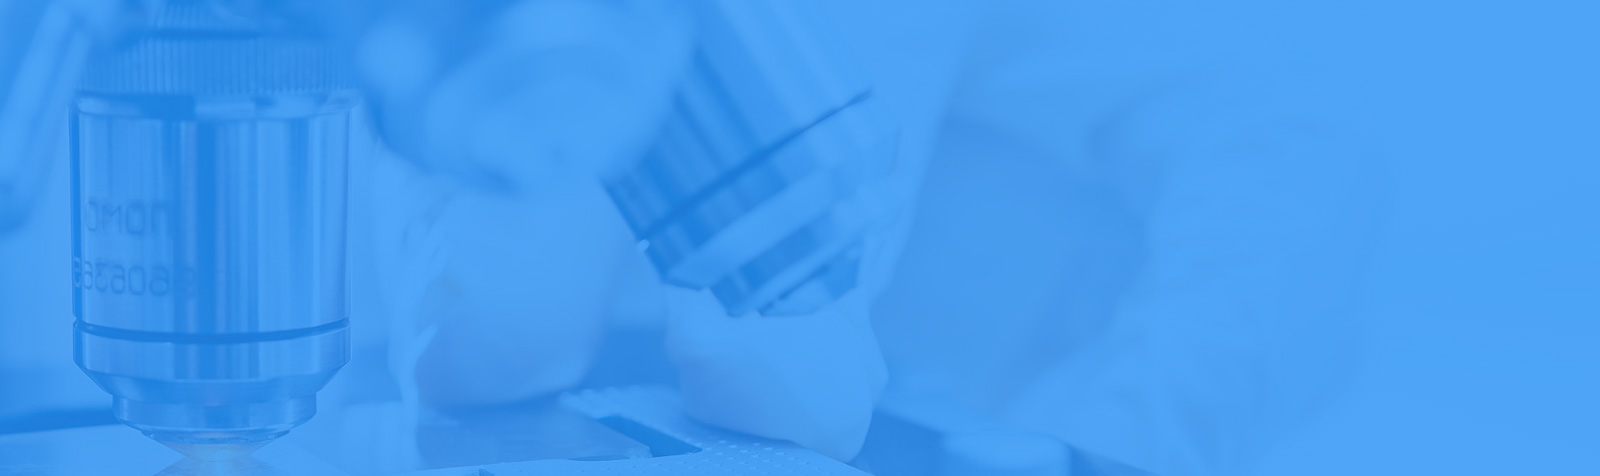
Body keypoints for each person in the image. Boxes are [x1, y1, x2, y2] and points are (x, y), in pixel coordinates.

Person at [349, 0, 1381, 474]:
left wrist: (1119, 447)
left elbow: (1286, 143)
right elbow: (483, 355)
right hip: (545, 392)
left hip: (952, 393)